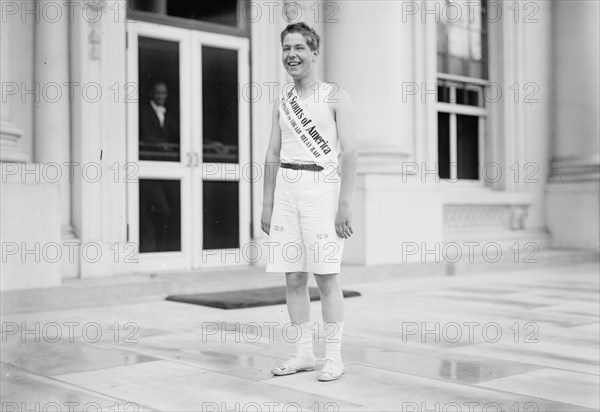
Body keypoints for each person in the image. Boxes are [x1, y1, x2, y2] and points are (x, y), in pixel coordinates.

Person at [261, 22, 357, 382]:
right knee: (293, 276)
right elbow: (272, 153)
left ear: (315, 53)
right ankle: (303, 354)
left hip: (322, 187)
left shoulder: (334, 95)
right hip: (286, 187)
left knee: (326, 277)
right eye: (286, 48)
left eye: (300, 48)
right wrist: (267, 204)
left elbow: (351, 152)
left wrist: (344, 203)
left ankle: (334, 357)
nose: (292, 55)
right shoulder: (282, 99)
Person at [139, 79, 180, 160]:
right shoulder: (144, 112)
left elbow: (178, 134)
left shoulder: (168, 114)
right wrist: (163, 144)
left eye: (163, 93)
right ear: (151, 93)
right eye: (158, 93)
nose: (161, 96)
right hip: (148, 158)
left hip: (165, 158)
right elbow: (145, 135)